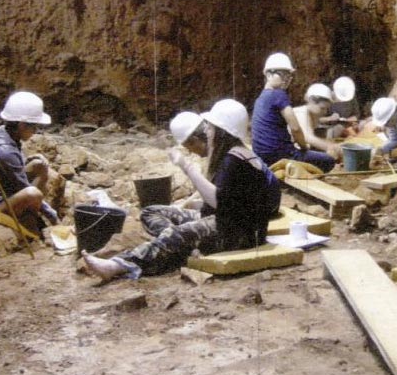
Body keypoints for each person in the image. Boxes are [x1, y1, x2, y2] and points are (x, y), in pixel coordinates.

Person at [83, 99, 281, 281]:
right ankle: (173, 243)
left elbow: (218, 202)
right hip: (229, 222)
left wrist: (186, 167)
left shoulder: (235, 160)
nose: (208, 132)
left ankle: (119, 265)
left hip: (237, 233)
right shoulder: (237, 155)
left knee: (178, 233)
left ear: (221, 131)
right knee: (152, 211)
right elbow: (231, 200)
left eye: (211, 128)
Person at [0, 91, 61, 228]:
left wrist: (28, 161)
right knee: (33, 194)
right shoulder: (6, 151)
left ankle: (30, 214)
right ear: (22, 125)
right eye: (34, 126)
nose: (35, 130)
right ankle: (26, 219)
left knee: (39, 165)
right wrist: (52, 216)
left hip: (2, 187)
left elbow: (11, 168)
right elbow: (23, 186)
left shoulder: (1, 133)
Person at [251, 52, 336, 173]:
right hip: (280, 155)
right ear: (268, 74)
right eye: (281, 74)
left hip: (261, 155)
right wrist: (303, 148)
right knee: (328, 161)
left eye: (288, 75)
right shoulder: (279, 94)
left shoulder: (260, 98)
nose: (286, 79)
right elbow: (295, 128)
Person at [292, 83, 342, 160]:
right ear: (311, 101)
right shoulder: (301, 112)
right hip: (288, 151)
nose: (325, 112)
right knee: (328, 160)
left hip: (298, 149)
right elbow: (308, 137)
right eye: (322, 108)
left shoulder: (314, 116)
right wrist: (331, 146)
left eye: (326, 109)